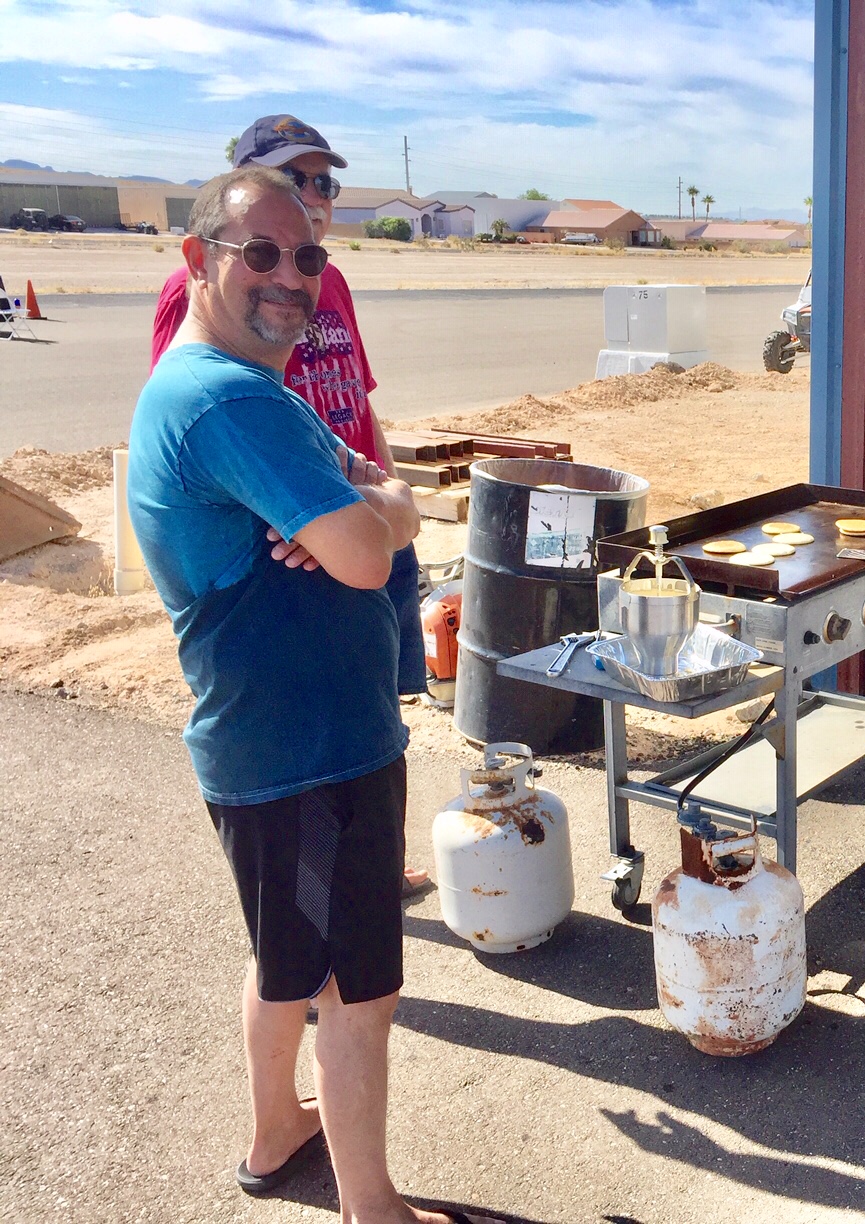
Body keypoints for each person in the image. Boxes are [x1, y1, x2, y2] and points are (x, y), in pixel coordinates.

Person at [127, 165, 496, 1224]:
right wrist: (374, 517)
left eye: (308, 256)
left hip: (269, 749)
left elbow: (386, 503)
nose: (289, 275)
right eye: (260, 252)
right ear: (198, 260)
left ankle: (274, 1132)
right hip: (310, 757)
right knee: (357, 993)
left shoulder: (244, 389)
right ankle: (372, 1207)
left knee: (284, 966)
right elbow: (374, 552)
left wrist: (375, 508)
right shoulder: (231, 400)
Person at [151, 114, 431, 897]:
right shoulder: (199, 298)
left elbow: (358, 397)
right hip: (298, 539)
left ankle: (376, 868)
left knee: (376, 707)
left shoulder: (324, 279)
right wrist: (337, 513)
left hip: (358, 509)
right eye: (295, 179)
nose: (314, 195)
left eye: (324, 181)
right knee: (313, 759)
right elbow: (198, 433)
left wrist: (387, 491)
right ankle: (327, 908)